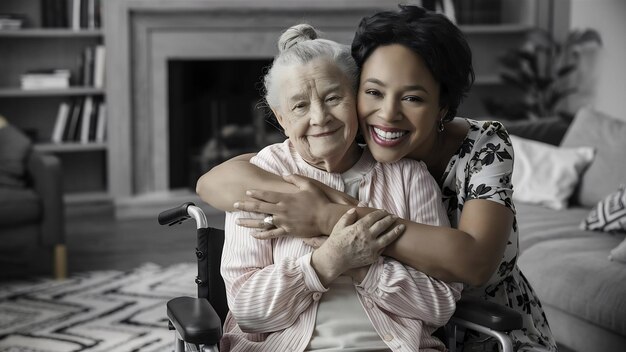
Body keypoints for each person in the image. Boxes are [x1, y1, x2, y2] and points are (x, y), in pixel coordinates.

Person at [200, 6, 556, 352]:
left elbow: (469, 269)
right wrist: (325, 258)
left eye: (413, 97)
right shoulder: (309, 151)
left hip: (483, 323)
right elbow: (216, 184)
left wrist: (329, 219)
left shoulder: (455, 157)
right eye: (373, 92)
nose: (387, 115)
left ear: (443, 107)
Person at [218, 23, 462, 352]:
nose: (320, 117)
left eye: (333, 97)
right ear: (280, 117)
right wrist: (328, 261)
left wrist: (364, 266)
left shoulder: (408, 177)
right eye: (300, 105)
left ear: (358, 99)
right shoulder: (261, 178)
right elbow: (248, 313)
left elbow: (441, 305)